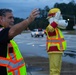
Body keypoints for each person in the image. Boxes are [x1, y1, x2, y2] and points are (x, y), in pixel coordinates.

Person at [0, 8, 39, 75]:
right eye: (10, 18)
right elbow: (12, 32)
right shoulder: (2, 33)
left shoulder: (4, 35)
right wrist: (28, 20)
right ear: (1, 19)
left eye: (13, 18)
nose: (13, 20)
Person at [45, 8, 68, 75]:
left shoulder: (56, 28)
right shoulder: (50, 27)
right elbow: (50, 29)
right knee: (54, 70)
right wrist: (56, 20)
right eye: (58, 17)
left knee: (57, 70)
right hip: (54, 51)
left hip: (58, 50)